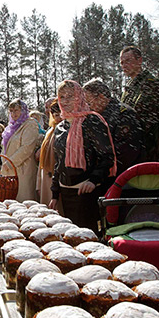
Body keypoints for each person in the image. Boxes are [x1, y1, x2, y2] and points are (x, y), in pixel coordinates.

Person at [49, 80, 116, 233]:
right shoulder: (61, 127)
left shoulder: (92, 121)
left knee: (86, 237)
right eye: (62, 97)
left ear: (79, 97)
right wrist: (55, 193)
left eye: (70, 96)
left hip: (86, 193)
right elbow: (59, 163)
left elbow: (107, 156)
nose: (65, 101)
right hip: (66, 193)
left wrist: (94, 180)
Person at [83, 77, 143, 179]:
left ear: (101, 97)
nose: (87, 107)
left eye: (89, 103)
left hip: (125, 178)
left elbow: (126, 153)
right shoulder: (97, 117)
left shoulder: (124, 115)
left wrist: (100, 171)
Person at [120, 45, 159, 162]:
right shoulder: (129, 89)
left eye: (128, 61)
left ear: (140, 61)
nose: (124, 65)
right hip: (133, 154)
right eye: (122, 63)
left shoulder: (152, 85)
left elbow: (147, 123)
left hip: (150, 154)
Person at [1, 98, 40, 202]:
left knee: (24, 203)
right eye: (11, 111)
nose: (14, 114)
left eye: (17, 110)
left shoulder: (30, 124)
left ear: (23, 110)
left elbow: (27, 147)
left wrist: (10, 162)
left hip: (23, 169)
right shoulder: (11, 127)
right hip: (10, 171)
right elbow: (5, 147)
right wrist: (3, 161)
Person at [36, 99, 63, 210]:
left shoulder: (64, 130)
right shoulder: (50, 130)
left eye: (58, 115)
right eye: (54, 115)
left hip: (56, 179)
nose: (57, 118)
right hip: (46, 180)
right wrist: (39, 183)